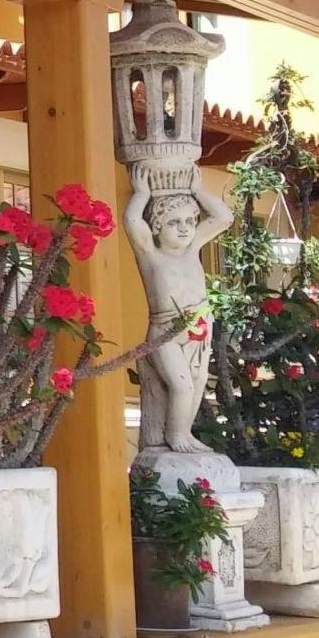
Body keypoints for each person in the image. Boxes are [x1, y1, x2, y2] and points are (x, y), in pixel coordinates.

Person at [123, 165, 233, 454]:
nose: (184, 228)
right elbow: (132, 221)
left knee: (197, 383)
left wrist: (198, 191)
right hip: (166, 330)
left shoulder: (193, 247)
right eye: (174, 222)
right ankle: (174, 435)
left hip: (200, 326)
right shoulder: (150, 254)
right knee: (181, 385)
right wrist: (141, 194)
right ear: (157, 227)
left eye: (189, 221)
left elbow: (224, 217)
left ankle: (185, 432)